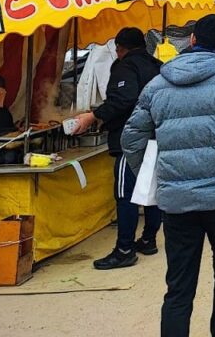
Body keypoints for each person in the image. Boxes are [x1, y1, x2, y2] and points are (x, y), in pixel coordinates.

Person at [122, 15, 215, 337]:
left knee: (178, 285)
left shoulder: (158, 84)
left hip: (177, 203)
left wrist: (156, 177)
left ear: (192, 40)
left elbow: (131, 139)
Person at [71, 28, 164, 270]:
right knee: (151, 190)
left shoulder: (125, 66)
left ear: (120, 48)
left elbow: (123, 99)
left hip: (130, 141)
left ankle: (124, 250)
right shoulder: (157, 66)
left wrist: (93, 116)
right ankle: (149, 239)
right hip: (156, 137)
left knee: (126, 194)